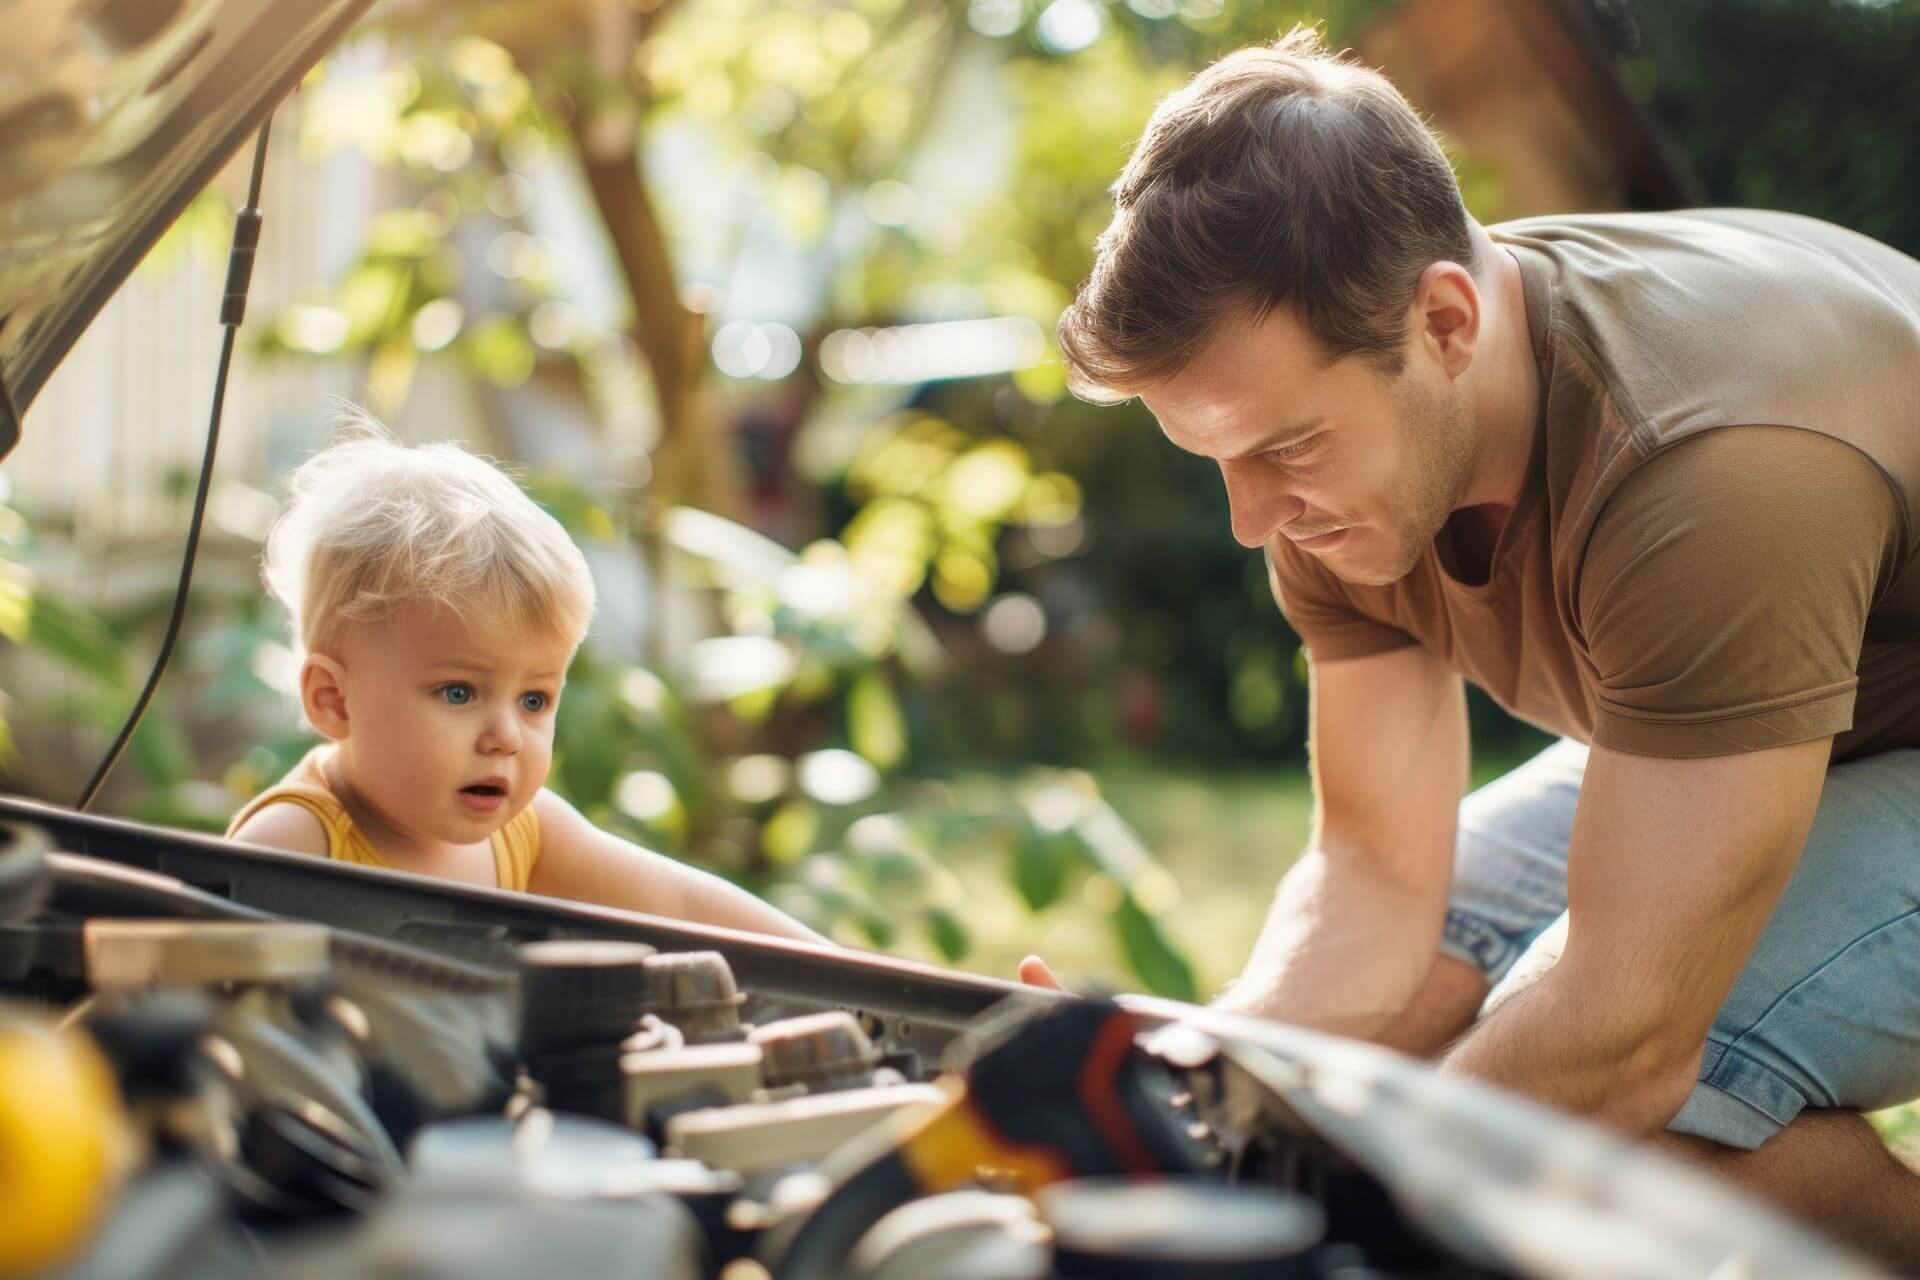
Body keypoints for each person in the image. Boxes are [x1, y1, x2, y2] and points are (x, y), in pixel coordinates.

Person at [1025, 25, 1920, 1268]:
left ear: (1445, 320)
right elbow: (1379, 878)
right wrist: (1190, 1087)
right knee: (1385, 1061)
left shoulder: (1713, 465)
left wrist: (1317, 1198)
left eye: (1282, 450)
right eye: (1218, 461)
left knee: (1595, 1125)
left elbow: (1622, 1040)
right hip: (1805, 714)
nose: (1251, 520)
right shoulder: (1342, 451)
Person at [227, 419, 823, 944]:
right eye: (458, 692)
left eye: (534, 699)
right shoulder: (294, 846)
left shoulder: (525, 831)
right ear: (334, 700)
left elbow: (681, 904)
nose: (506, 736)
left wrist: (853, 980)